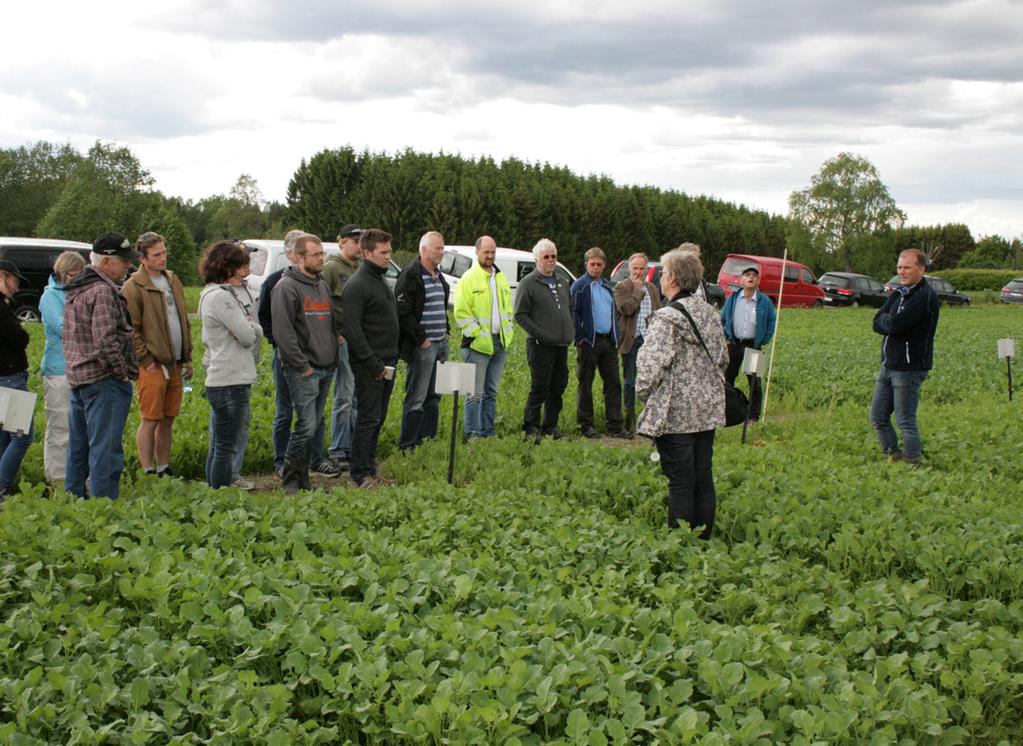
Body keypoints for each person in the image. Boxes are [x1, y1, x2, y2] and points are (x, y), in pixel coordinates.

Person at [636, 249, 727, 537]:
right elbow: (723, 358)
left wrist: (642, 394)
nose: (661, 278)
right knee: (703, 478)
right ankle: (703, 537)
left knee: (680, 483)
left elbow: (651, 365)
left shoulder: (666, 317)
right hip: (708, 411)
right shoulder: (709, 313)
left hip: (676, 414)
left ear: (673, 278)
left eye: (663, 273)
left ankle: (681, 544)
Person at [63, 231, 140, 500]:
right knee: (106, 449)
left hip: (79, 378)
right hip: (103, 381)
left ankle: (73, 500)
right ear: (106, 262)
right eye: (123, 261)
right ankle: (103, 507)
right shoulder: (103, 291)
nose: (128, 266)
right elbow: (106, 340)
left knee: (79, 447)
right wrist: (121, 374)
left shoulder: (78, 287)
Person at [258, 230, 339, 479]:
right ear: (299, 258)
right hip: (303, 369)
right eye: (315, 255)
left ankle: (304, 473)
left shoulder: (322, 285)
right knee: (305, 425)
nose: (320, 259)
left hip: (326, 366)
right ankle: (292, 475)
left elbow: (329, 324)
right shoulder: (285, 287)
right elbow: (283, 332)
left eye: (322, 253)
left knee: (314, 423)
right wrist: (302, 366)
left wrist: (332, 357)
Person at [121, 232, 193, 476]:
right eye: (157, 255)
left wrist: (188, 356)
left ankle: (163, 465)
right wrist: (146, 360)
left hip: (175, 360)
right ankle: (147, 468)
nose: (163, 258)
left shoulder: (172, 279)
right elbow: (132, 329)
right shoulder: (133, 286)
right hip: (152, 363)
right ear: (142, 259)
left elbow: (183, 319)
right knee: (150, 417)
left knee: (168, 417)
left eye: (164, 252)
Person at [197, 241, 262, 489]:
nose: (244, 273)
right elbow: (248, 336)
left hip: (226, 378)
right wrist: (250, 327)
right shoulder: (221, 298)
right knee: (225, 445)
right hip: (230, 379)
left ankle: (215, 489)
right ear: (224, 268)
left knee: (220, 443)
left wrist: (247, 326)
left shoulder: (213, 294)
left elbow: (247, 330)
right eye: (239, 267)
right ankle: (220, 493)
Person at [869, 249, 940, 466]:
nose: (902, 271)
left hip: (909, 368)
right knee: (878, 416)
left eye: (907, 267)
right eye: (900, 267)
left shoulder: (924, 297)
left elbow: (896, 324)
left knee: (905, 420)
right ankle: (892, 454)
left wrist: (889, 322)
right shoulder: (898, 293)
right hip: (888, 364)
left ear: (921, 268)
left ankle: (912, 461)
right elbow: (877, 321)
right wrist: (889, 322)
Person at [341, 228, 399, 488]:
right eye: (383, 252)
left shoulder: (379, 279)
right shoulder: (357, 284)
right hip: (370, 364)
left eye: (389, 251)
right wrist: (373, 364)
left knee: (379, 417)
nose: (389, 257)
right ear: (367, 253)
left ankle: (370, 467)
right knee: (368, 418)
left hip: (388, 361)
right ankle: (359, 474)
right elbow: (353, 330)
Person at [453, 235, 514, 439]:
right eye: (486, 252)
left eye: (493, 252)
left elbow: (507, 310)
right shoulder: (469, 278)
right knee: (474, 394)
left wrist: (508, 334)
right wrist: (477, 335)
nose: (490, 256)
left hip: (499, 344)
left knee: (491, 393)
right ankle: (472, 434)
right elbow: (461, 312)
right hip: (477, 346)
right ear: (477, 252)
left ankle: (487, 432)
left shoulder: (500, 277)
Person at [514, 238, 574, 442]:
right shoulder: (528, 283)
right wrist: (539, 333)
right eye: (546, 257)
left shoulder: (562, 282)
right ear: (537, 259)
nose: (550, 260)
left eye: (553, 256)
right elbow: (520, 314)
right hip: (540, 346)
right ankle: (531, 426)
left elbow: (570, 308)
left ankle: (551, 425)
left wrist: (570, 328)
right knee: (540, 386)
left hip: (561, 344)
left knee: (558, 386)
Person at [396, 230, 450, 451]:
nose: (441, 252)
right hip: (424, 346)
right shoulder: (411, 275)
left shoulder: (439, 276)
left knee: (434, 395)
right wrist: (422, 339)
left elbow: (441, 307)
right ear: (424, 249)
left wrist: (446, 331)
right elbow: (403, 311)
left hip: (441, 344)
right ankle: (408, 444)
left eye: (442, 248)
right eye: (437, 248)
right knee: (416, 397)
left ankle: (427, 441)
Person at [38, 250, 87, 485]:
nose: (77, 278)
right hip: (58, 370)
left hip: (80, 368)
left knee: (81, 429)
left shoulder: (80, 293)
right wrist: (85, 323)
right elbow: (64, 328)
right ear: (63, 272)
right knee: (59, 428)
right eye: (74, 274)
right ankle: (57, 479)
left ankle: (80, 479)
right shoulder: (49, 296)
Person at [570, 246, 628, 439]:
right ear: (586, 264)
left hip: (608, 341)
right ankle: (586, 425)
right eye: (592, 264)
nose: (595, 267)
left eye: (599, 264)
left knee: (613, 383)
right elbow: (573, 314)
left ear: (604, 265)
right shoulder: (579, 286)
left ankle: (615, 426)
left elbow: (614, 312)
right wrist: (579, 338)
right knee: (585, 383)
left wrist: (616, 334)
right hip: (589, 341)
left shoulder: (608, 286)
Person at [321, 224, 363, 469]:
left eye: (360, 241)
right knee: (344, 395)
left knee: (356, 396)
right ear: (342, 242)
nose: (358, 245)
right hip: (343, 340)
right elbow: (322, 303)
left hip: (359, 341)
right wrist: (335, 334)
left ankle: (351, 447)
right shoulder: (332, 268)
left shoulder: (358, 268)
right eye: (354, 241)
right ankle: (337, 449)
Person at [719, 265, 776, 421]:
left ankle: (753, 416)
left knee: (754, 383)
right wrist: (726, 337)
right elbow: (723, 319)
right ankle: (726, 414)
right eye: (747, 275)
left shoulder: (764, 301)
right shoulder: (733, 299)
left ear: (758, 281)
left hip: (754, 346)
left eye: (754, 276)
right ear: (741, 280)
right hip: (734, 344)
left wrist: (764, 340)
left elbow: (772, 321)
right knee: (727, 379)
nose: (751, 277)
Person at [614, 252, 662, 434]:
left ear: (647, 269)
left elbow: (658, 312)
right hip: (631, 340)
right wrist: (637, 291)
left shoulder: (652, 289)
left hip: (650, 341)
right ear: (629, 268)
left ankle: (650, 420)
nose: (638, 272)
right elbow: (626, 309)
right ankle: (630, 419)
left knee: (651, 381)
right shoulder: (621, 287)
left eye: (642, 268)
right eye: (635, 268)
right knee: (630, 381)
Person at [0, 259, 32, 500]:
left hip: (5, 379)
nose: (16, 287)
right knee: (22, 437)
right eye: (14, 281)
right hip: (10, 378)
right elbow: (19, 338)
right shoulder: (1, 308)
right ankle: (1, 485)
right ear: (2, 277)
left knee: (4, 435)